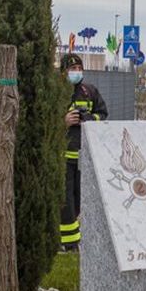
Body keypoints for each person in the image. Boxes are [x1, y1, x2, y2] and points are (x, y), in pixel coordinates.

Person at [61, 53, 108, 251]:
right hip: (64, 157)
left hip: (84, 157)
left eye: (79, 69)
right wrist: (63, 121)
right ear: (63, 72)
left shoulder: (89, 92)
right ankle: (69, 242)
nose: (76, 72)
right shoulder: (57, 94)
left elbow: (103, 115)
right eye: (72, 70)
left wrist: (88, 118)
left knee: (79, 198)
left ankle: (74, 237)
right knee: (66, 199)